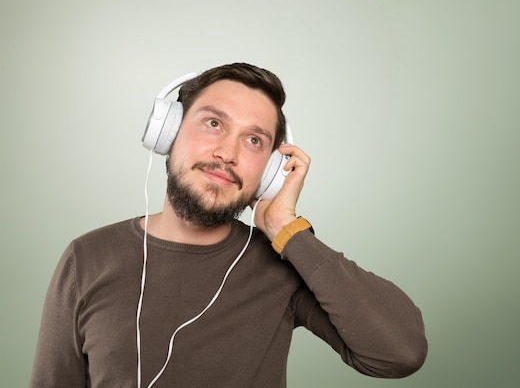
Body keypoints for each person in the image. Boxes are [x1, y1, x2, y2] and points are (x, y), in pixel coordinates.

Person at [29, 63, 427, 388]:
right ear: (169, 131)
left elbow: (400, 352)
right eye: (214, 124)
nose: (227, 153)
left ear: (270, 170)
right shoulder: (87, 258)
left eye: (254, 141)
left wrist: (287, 229)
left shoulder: (283, 261)